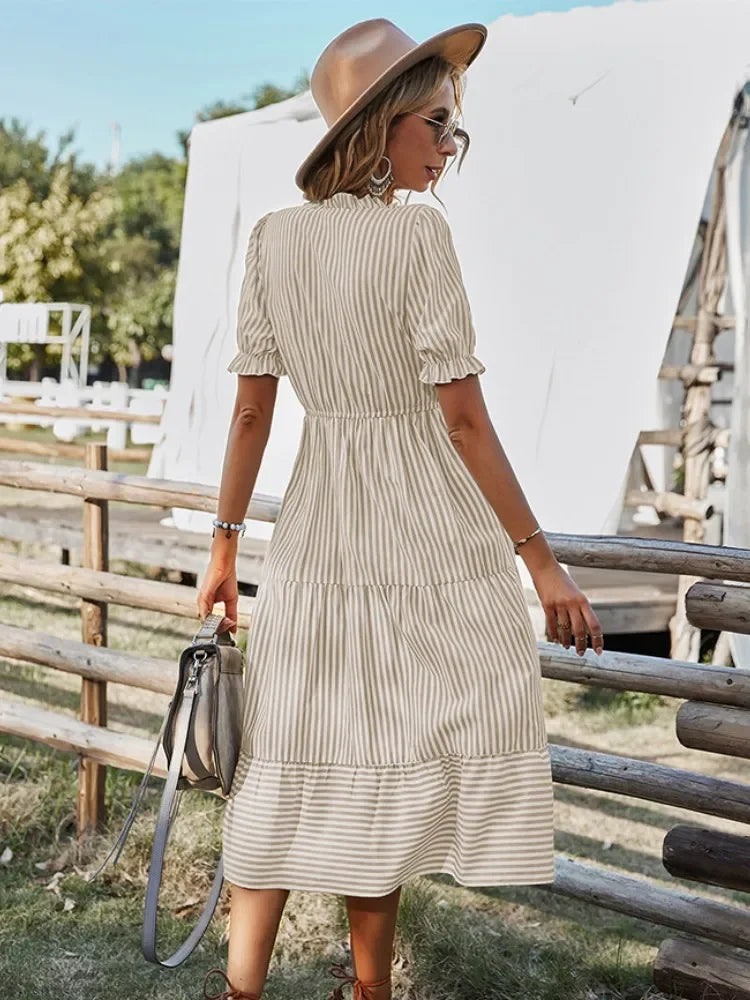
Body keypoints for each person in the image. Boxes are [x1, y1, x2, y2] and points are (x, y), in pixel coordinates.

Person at [197, 17, 604, 1000]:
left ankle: (242, 991)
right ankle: (370, 992)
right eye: (435, 123)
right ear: (377, 129)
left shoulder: (274, 239)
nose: (448, 148)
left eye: (455, 129)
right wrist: (539, 560)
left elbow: (253, 408)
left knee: (290, 762)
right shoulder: (419, 235)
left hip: (311, 536)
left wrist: (223, 545)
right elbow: (462, 418)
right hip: (417, 528)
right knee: (385, 761)